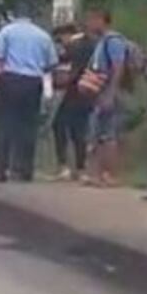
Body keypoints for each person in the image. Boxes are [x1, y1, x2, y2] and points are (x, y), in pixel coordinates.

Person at [0, 3, 58, 182]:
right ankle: (25, 170)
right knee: (28, 128)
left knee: (5, 126)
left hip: (10, 80)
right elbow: (51, 63)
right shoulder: (43, 36)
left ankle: (0, 170)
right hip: (33, 83)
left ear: (15, 15)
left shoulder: (7, 32)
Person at [84, 8, 129, 187]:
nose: (89, 24)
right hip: (100, 93)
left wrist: (111, 92)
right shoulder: (101, 41)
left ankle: (110, 174)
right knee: (99, 134)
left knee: (109, 134)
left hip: (109, 92)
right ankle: (99, 173)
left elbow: (118, 67)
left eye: (93, 19)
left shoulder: (113, 41)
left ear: (102, 20)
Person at [52, 23, 96, 181]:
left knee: (60, 125)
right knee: (79, 130)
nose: (61, 43)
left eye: (60, 39)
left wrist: (60, 82)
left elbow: (73, 69)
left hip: (77, 92)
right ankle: (80, 167)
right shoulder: (89, 43)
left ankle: (67, 166)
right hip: (87, 91)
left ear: (67, 34)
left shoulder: (76, 46)